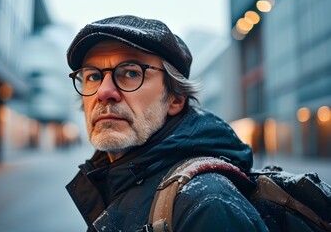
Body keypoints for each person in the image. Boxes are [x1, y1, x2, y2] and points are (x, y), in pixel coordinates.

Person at [65, 15, 268, 232]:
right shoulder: (110, 179)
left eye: (131, 73)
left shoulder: (207, 204)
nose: (104, 92)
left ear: (175, 98)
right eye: (93, 77)